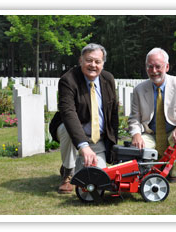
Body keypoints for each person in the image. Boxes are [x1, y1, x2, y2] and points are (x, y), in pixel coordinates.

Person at [49, 43, 118, 194]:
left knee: (98, 176)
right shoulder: (68, 80)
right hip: (73, 133)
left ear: (103, 64)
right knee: (67, 129)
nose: (93, 65)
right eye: (89, 60)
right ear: (80, 60)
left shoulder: (108, 79)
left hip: (97, 140)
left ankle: (75, 164)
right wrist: (83, 145)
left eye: (97, 61)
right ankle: (68, 171)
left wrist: (113, 148)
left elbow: (113, 113)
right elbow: (68, 113)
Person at [128, 47, 176, 183]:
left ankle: (174, 170)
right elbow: (134, 118)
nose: (154, 71)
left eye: (158, 66)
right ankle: (150, 171)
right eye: (150, 67)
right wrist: (136, 134)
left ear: (167, 66)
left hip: (173, 132)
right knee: (138, 147)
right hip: (151, 133)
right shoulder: (139, 90)